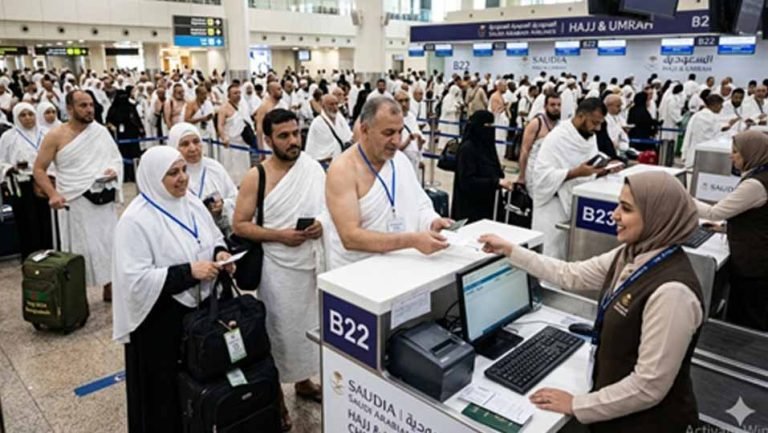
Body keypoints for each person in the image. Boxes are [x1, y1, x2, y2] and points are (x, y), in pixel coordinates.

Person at [480, 171, 704, 433]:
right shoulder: (630, 254)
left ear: (658, 216)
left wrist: (577, 405)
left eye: (626, 209)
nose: (614, 215)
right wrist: (511, 250)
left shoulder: (673, 292)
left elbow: (648, 386)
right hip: (615, 415)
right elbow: (571, 274)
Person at [112, 145, 233, 433]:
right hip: (161, 322)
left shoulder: (191, 203)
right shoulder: (135, 221)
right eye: (172, 173)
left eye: (183, 170)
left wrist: (220, 253)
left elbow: (213, 236)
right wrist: (189, 272)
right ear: (154, 177)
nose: (182, 178)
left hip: (198, 315)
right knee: (164, 397)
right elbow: (135, 280)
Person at [232, 109, 325, 431]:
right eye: (284, 136)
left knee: (308, 330)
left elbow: (328, 208)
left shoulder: (312, 168)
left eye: (296, 133)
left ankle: (303, 382)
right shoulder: (256, 176)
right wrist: (280, 235)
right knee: (279, 333)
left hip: (310, 265)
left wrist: (320, 224)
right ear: (268, 140)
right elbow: (240, 225)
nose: (293, 141)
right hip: (277, 270)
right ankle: (276, 398)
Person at [324, 97, 451, 270]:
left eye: (400, 132)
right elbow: (350, 238)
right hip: (358, 272)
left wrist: (432, 222)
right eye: (388, 133)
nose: (397, 141)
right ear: (365, 130)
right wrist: (412, 240)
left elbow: (419, 205)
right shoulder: (343, 170)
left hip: (403, 265)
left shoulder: (400, 160)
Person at [33, 90, 122, 302]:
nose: (89, 109)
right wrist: (52, 194)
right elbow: (39, 169)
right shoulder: (55, 135)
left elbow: (115, 159)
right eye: (83, 105)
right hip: (74, 201)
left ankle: (111, 287)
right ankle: (75, 297)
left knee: (108, 243)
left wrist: (113, 170)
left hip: (102, 198)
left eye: (91, 105)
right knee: (79, 249)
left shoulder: (100, 132)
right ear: (70, 108)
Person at [696, 131, 768, 331]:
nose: (731, 156)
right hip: (759, 258)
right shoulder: (761, 175)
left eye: (736, 152)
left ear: (752, 153)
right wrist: (725, 228)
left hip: (753, 262)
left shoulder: (755, 184)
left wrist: (681, 197)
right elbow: (758, 217)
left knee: (748, 317)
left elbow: (714, 212)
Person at [532, 98, 609, 259]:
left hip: (576, 206)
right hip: (552, 208)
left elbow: (588, 167)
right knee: (550, 256)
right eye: (594, 123)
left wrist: (600, 171)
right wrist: (575, 173)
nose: (598, 128)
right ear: (581, 116)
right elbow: (540, 176)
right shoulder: (557, 137)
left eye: (600, 123)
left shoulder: (589, 137)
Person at [0, 102, 53, 259]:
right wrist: (11, 168)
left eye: (30, 114)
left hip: (46, 181)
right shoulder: (8, 137)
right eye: (23, 115)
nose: (28, 118)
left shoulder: (46, 133)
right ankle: (31, 257)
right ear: (16, 117)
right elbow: (1, 161)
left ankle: (50, 255)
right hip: (22, 184)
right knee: (28, 222)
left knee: (47, 220)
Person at [167, 123, 237, 237]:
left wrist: (222, 206)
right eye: (185, 144)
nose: (193, 148)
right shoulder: (169, 176)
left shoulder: (214, 168)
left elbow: (235, 198)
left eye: (196, 142)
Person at [451, 110, 513, 222]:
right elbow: (467, 181)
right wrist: (495, 182)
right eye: (487, 125)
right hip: (470, 209)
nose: (490, 129)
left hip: (488, 206)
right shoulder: (467, 149)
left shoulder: (487, 146)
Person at [517, 94, 561, 192]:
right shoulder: (536, 123)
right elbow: (524, 150)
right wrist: (521, 176)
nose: (556, 108)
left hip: (551, 173)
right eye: (552, 105)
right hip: (533, 172)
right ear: (545, 106)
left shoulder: (561, 126)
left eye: (559, 105)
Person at [107, 89, 144, 182]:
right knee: (122, 155)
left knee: (134, 155)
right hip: (120, 136)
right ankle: (125, 175)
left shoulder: (131, 107)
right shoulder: (113, 109)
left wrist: (141, 129)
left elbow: (136, 119)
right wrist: (112, 126)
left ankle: (134, 175)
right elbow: (108, 121)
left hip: (132, 134)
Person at [216, 83, 251, 185]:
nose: (238, 95)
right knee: (232, 168)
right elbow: (220, 125)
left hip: (242, 143)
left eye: (239, 93)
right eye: (235, 93)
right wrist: (224, 138)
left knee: (243, 167)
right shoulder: (224, 108)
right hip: (231, 144)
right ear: (229, 95)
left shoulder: (243, 106)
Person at [681, 94, 727, 168]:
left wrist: (684, 152)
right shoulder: (709, 117)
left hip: (693, 152)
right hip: (705, 155)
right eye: (720, 105)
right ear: (715, 105)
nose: (722, 107)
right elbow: (712, 136)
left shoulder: (697, 115)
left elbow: (688, 134)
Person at [305, 94, 353, 164]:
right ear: (323, 106)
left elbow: (348, 135)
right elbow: (316, 148)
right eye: (331, 104)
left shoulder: (340, 118)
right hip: (324, 162)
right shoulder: (317, 123)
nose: (335, 107)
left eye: (336, 104)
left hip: (343, 158)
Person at [395, 90, 426, 176]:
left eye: (406, 100)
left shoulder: (411, 117)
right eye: (400, 101)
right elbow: (394, 148)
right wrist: (408, 140)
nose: (404, 104)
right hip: (401, 162)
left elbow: (418, 139)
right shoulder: (392, 119)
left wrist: (420, 141)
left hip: (414, 160)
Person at [438, 85, 463, 150]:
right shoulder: (448, 98)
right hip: (447, 120)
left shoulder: (453, 98)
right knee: (445, 135)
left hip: (452, 119)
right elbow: (446, 109)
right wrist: (455, 109)